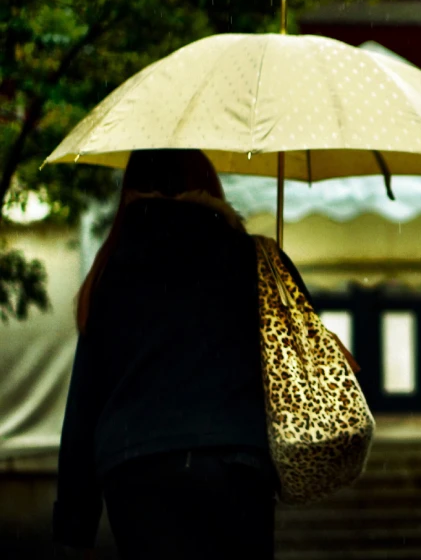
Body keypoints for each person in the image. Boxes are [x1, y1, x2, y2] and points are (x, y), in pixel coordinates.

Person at [53, 149, 335, 559]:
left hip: (136, 467)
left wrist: (75, 519)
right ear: (209, 185)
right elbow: (300, 351)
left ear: (131, 189)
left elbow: (85, 399)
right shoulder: (250, 257)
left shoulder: (111, 270)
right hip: (234, 461)